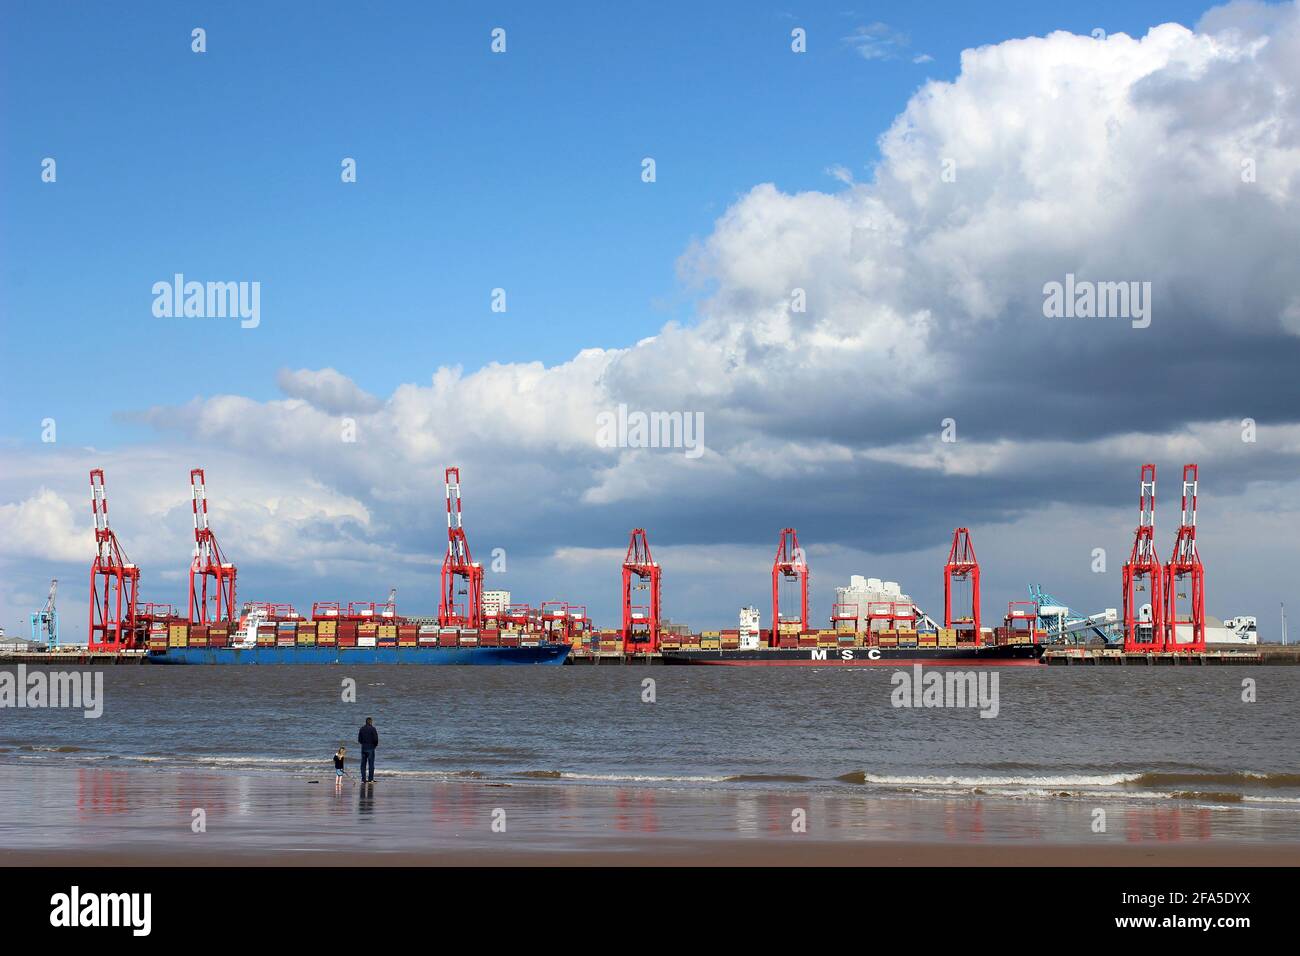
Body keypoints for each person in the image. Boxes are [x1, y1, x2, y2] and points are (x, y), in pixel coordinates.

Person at [357, 717, 379, 783]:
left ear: (366, 722)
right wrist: (375, 745)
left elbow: (359, 739)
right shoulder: (373, 729)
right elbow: (376, 739)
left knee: (363, 764)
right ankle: (370, 779)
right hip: (371, 748)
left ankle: (363, 779)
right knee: (371, 764)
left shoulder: (362, 729)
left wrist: (363, 744)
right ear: (371, 722)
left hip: (363, 748)